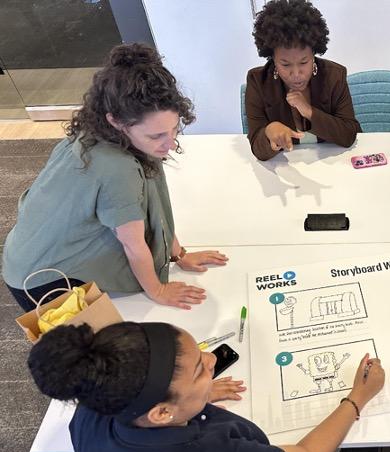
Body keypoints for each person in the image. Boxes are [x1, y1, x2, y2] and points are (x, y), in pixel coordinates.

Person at [28, 321, 384, 452]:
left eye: (201, 353)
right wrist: (356, 398)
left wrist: (195, 395)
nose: (213, 361)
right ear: (162, 413)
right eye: (200, 369)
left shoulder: (95, 402)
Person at [2, 43, 227, 312]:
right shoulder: (116, 169)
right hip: (43, 280)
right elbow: (134, 245)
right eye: (156, 136)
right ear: (117, 122)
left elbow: (154, 208)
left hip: (28, 249)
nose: (170, 143)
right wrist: (158, 290)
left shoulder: (101, 130)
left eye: (174, 129)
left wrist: (179, 255)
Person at [246, 0, 361, 161]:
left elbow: (349, 134)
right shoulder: (258, 82)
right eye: (285, 64)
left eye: (304, 62)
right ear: (272, 58)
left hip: (333, 165)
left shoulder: (334, 76)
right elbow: (257, 148)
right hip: (285, 170)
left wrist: (308, 110)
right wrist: (269, 133)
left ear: (314, 53)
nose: (296, 73)